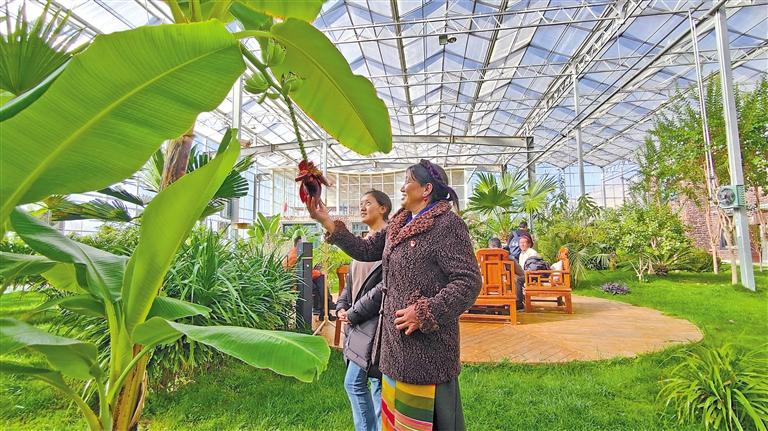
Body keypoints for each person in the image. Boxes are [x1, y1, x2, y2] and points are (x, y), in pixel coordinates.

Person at [307, 159, 481, 430]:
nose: (401, 188)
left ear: (426, 189)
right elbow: (365, 250)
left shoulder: (447, 224)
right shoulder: (399, 223)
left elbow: (468, 282)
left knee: (421, 421)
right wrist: (326, 220)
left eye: (407, 181)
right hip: (394, 348)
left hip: (427, 350)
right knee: (394, 421)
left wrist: (425, 312)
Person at [336, 190, 392, 431]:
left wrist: (354, 312)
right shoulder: (362, 244)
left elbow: (384, 287)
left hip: (377, 323)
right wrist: (342, 305)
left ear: (383, 208)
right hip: (358, 323)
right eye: (360, 203)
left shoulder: (389, 242)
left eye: (367, 203)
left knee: (356, 383)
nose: (362, 207)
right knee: (376, 384)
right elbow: (351, 284)